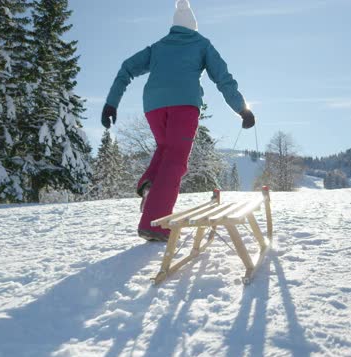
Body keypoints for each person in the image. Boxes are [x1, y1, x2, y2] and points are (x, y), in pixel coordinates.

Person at [101, 0, 255, 242]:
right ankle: (155, 224)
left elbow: (126, 68)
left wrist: (111, 103)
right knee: (175, 161)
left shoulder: (158, 47)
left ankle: (150, 183)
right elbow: (223, 79)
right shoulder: (201, 43)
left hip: (153, 106)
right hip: (184, 106)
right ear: (193, 26)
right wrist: (242, 109)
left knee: (165, 149)